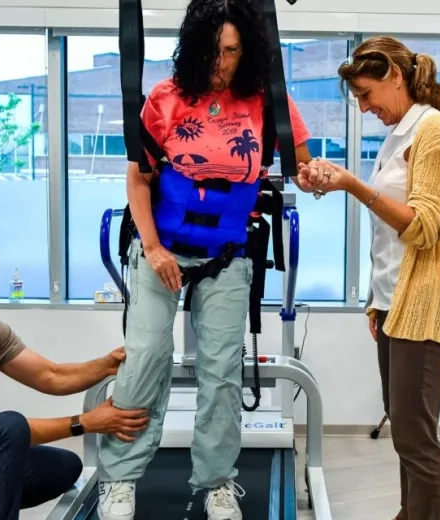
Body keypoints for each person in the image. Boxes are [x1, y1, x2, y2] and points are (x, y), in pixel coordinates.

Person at [95, 1, 321, 519]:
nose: (222, 62)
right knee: (145, 360)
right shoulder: (166, 98)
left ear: (249, 50)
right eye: (214, 50)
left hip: (226, 254)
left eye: (234, 51)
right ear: (195, 47)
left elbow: (302, 164)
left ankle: (217, 480)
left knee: (221, 372)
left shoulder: (269, 102)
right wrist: (151, 248)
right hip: (160, 251)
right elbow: (139, 177)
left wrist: (317, 178)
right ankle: (120, 479)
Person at [298, 36, 440, 520]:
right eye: (357, 99)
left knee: (417, 438)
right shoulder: (398, 137)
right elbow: (389, 240)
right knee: (404, 430)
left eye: (367, 94)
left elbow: (425, 228)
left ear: (396, 76)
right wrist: (379, 303)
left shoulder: (434, 131)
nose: (364, 106)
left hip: (425, 301)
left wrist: (352, 185)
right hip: (395, 303)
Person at [0, 227, 150, 520]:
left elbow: (49, 375)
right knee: (6, 427)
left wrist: (105, 365)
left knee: (63, 467)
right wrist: (85, 423)